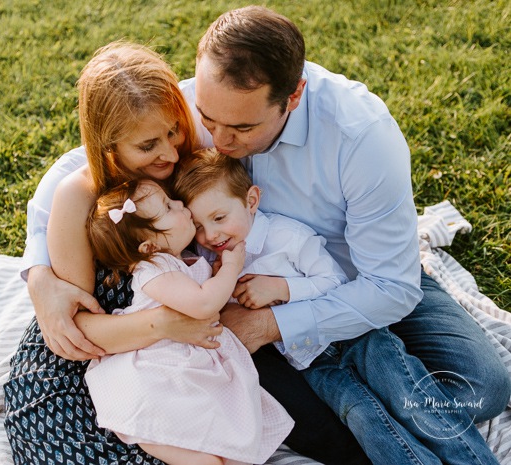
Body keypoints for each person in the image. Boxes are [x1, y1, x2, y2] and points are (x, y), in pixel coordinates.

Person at [178, 5, 510, 462]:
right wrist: (42, 274)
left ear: (293, 96)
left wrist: (268, 325)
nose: (219, 141)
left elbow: (390, 286)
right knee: (328, 422)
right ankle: (366, 417)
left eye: (242, 128)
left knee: (483, 388)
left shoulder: (361, 135)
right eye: (209, 120)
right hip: (249, 291)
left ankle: (372, 415)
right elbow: (82, 165)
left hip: (360, 276)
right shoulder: (207, 100)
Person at [174, 148, 500, 465]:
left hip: (357, 336)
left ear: (251, 201)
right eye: (199, 227)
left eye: (219, 218)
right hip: (311, 361)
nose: (211, 234)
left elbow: (334, 282)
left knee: (411, 399)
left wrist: (283, 288)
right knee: (366, 420)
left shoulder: (286, 236)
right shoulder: (213, 260)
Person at [3, 42, 225, 465]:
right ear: (109, 147)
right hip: (80, 372)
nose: (170, 152)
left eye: (173, 130)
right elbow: (79, 328)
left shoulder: (188, 165)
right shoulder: (79, 198)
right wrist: (164, 324)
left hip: (159, 366)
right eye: (147, 146)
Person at [83, 178, 293, 465]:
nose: (182, 206)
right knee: (193, 443)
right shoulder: (153, 268)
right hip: (161, 368)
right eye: (169, 207)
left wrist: (218, 275)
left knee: (232, 437)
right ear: (149, 246)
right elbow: (204, 303)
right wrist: (231, 268)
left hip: (193, 364)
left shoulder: (181, 261)